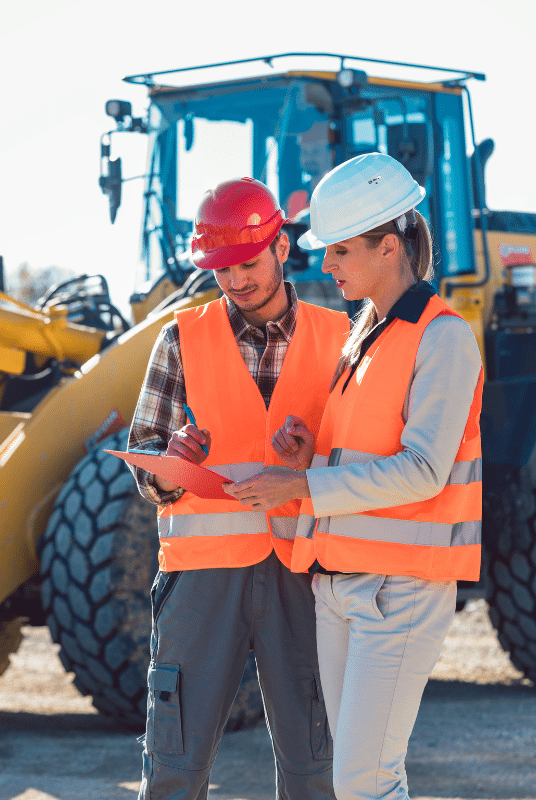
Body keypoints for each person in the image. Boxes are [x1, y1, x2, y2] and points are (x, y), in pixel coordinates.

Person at [224, 153, 483, 800]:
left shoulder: (443, 338)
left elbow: (423, 469)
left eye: (340, 251)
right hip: (339, 583)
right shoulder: (363, 335)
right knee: (359, 778)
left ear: (388, 246)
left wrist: (302, 487)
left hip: (399, 590)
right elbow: (360, 453)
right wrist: (308, 452)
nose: (326, 264)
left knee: (366, 781)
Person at [128, 176, 349, 800]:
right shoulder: (180, 338)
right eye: (222, 269)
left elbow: (366, 462)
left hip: (309, 570)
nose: (236, 280)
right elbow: (145, 454)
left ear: (281, 247)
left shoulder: (344, 340)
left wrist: (312, 462)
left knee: (317, 766)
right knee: (173, 764)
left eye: (249, 262)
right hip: (202, 577)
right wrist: (167, 463)